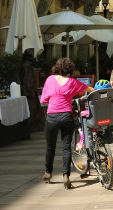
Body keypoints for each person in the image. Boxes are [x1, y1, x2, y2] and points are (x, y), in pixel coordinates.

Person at [40, 57, 94, 189]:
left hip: (52, 116)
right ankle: (66, 176)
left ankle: (48, 172)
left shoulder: (50, 79)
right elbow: (89, 90)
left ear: (57, 68)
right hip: (66, 116)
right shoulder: (73, 82)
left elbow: (43, 100)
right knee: (66, 147)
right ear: (70, 70)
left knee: (50, 146)